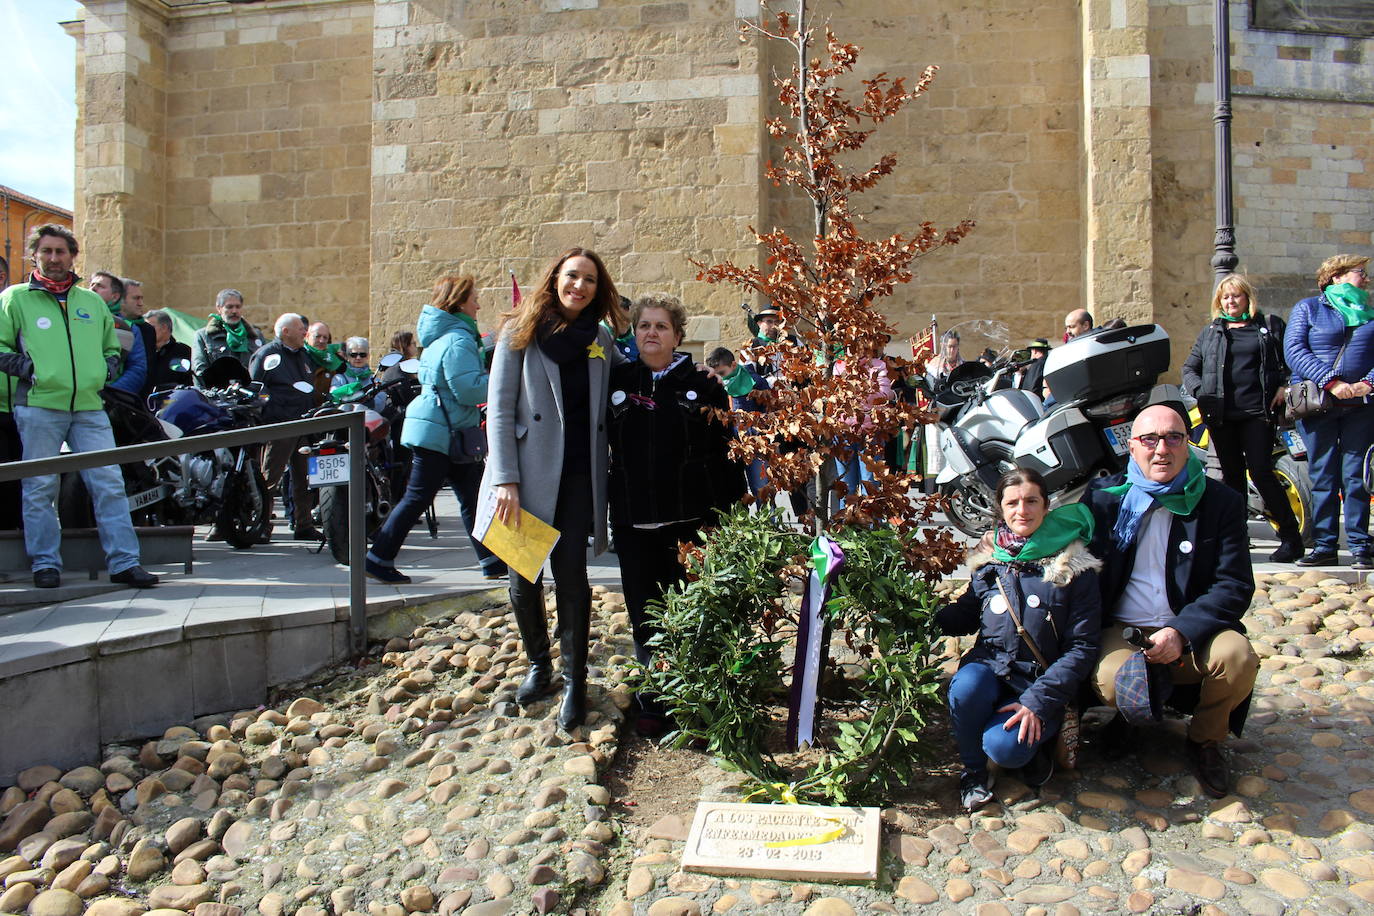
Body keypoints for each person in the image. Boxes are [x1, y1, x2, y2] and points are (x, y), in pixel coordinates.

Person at [483, 247, 628, 730]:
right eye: (572, 276)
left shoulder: (602, 338)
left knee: (572, 579)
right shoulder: (519, 330)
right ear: (555, 279)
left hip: (579, 479)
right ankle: (539, 665)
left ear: (598, 288)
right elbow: (500, 410)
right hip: (525, 475)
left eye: (589, 279)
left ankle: (575, 682)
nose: (579, 286)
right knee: (522, 578)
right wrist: (505, 479)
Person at [1083, 404, 1257, 798]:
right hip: (1124, 628)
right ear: (1132, 447)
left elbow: (1234, 584)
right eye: (1149, 439)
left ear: (1187, 443)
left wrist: (1180, 632)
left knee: (1238, 658)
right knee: (1113, 680)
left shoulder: (1220, 502)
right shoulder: (1105, 499)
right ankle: (1133, 717)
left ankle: (1204, 740)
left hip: (1192, 628)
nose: (1161, 449)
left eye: (1173, 437)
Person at [609, 295, 747, 733]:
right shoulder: (618, 381)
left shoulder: (704, 385)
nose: (652, 333)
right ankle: (655, 701)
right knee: (645, 613)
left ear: (678, 335)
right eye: (644, 325)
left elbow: (727, 455)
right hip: (633, 522)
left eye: (661, 326)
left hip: (689, 522)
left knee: (690, 611)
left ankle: (699, 702)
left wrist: (728, 518)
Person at [0, 224, 158, 589]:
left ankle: (124, 563)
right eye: (46, 251)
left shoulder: (90, 302)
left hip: (89, 406)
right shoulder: (15, 298)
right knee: (40, 487)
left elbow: (112, 347)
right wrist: (30, 370)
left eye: (61, 251)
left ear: (73, 256)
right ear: (35, 255)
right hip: (38, 405)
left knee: (109, 484)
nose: (54, 258)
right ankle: (45, 564)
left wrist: (105, 371)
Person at [937, 467, 1100, 809]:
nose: (1021, 511)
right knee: (965, 688)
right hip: (990, 670)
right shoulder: (991, 563)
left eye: (1031, 501)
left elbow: (1082, 648)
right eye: (1012, 503)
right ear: (1000, 508)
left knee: (1005, 748)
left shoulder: (1073, 567)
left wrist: (1038, 702)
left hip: (1039, 683)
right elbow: (964, 616)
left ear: (1045, 506)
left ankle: (1036, 740)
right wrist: (919, 613)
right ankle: (974, 772)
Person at [366, 276, 507, 584]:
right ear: (459, 302)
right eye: (474, 299)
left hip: (442, 429)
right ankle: (378, 557)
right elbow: (467, 390)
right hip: (443, 432)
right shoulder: (458, 339)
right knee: (419, 498)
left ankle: (492, 561)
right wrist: (500, 380)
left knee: (471, 498)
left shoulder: (442, 336)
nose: (478, 305)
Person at [1182, 274, 1303, 562]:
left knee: (1261, 471)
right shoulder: (1212, 332)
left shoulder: (1269, 326)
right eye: (1225, 297)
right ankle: (1236, 540)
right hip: (1222, 415)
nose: (1231, 301)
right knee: (1231, 477)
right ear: (1219, 301)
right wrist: (1202, 393)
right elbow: (1189, 369)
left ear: (1247, 297)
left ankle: (1291, 537)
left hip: (1257, 413)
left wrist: (1284, 386)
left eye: (1236, 295)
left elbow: (1290, 362)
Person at [1283, 254, 1374, 568]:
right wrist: (1330, 382)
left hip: (1360, 408)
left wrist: (1368, 384)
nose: (1366, 279)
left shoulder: (1370, 314)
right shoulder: (1308, 308)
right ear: (1336, 277)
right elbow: (1294, 350)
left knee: (1356, 477)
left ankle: (1360, 546)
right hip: (1319, 405)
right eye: (1360, 273)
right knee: (1323, 475)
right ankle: (1324, 545)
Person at [250, 313, 320, 541]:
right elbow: (255, 389)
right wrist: (271, 412)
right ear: (285, 331)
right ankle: (260, 524)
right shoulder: (267, 354)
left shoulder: (303, 355)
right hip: (279, 425)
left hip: (303, 423)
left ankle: (303, 524)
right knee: (269, 480)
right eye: (300, 329)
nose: (304, 332)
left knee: (304, 478)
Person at [706, 346, 770, 497]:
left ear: (733, 365)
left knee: (760, 488)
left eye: (722, 373)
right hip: (728, 445)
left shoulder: (755, 382)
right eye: (716, 374)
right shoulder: (714, 385)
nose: (720, 378)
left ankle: (767, 521)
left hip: (754, 444)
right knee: (734, 489)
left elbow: (768, 413)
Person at [193, 289, 265, 386]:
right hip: (218, 395)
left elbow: (265, 366)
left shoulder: (255, 335)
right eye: (229, 307)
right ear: (219, 308)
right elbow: (199, 369)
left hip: (250, 394)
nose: (234, 311)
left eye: (238, 307)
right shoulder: (203, 336)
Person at [145, 310, 193, 392]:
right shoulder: (141, 352)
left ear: (164, 327)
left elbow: (188, 381)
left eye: (150, 327)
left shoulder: (182, 351)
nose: (146, 332)